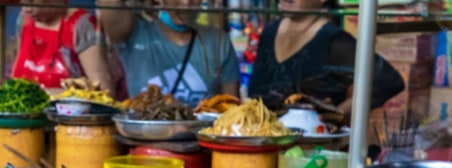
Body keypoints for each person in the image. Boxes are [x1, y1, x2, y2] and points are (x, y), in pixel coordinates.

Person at [248, 0, 404, 114]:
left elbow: (389, 81)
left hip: (311, 152)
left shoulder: (334, 40)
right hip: (260, 143)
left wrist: (338, 112)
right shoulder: (269, 32)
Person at [99, 0, 239, 104]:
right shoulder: (135, 33)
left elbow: (232, 109)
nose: (185, 3)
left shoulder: (219, 42)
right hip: (145, 138)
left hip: (201, 141)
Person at [12, 0, 114, 94]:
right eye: (22, 2)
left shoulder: (82, 25)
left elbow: (104, 91)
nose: (26, 9)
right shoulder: (24, 20)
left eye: (31, 2)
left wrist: (54, 95)